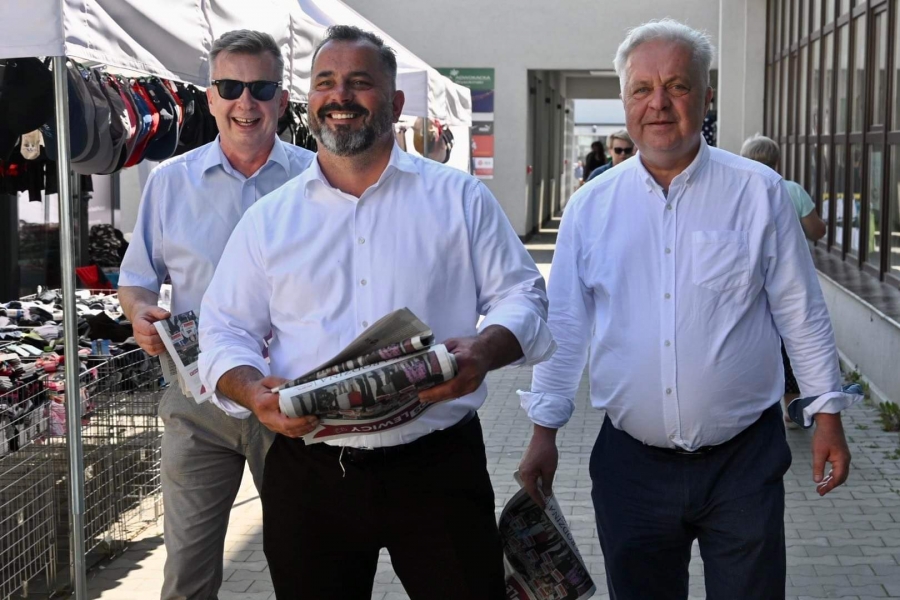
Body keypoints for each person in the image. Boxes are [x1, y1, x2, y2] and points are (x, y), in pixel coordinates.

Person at [197, 25, 555, 600]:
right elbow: (224, 329)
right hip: (310, 471)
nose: (340, 96)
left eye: (359, 82)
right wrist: (250, 390)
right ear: (308, 100)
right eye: (325, 83)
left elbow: (524, 296)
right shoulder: (269, 220)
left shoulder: (459, 199)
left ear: (396, 102)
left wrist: (485, 351)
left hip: (438, 465)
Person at [517, 19, 858, 600]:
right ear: (624, 100)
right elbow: (567, 325)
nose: (659, 103)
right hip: (631, 469)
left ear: (706, 96)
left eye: (677, 86)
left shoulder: (759, 192)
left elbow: (799, 311)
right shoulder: (591, 208)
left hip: (744, 464)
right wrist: (542, 431)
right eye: (642, 88)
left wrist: (827, 414)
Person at [117, 30, 315, 599]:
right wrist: (141, 314)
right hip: (197, 400)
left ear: (282, 99)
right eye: (230, 87)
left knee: (307, 563)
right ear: (209, 96)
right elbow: (136, 279)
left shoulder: (317, 179)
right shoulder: (170, 181)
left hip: (288, 396)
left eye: (261, 88)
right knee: (187, 572)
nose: (245, 102)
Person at [740, 133, 827, 429]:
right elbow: (816, 231)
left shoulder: (736, 191)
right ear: (777, 161)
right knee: (792, 335)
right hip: (789, 277)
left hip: (749, 279)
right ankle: (792, 405)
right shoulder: (790, 190)